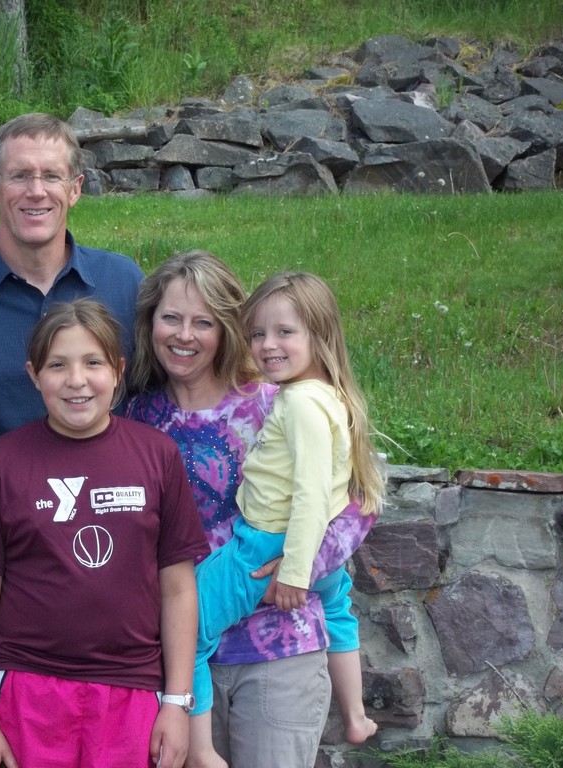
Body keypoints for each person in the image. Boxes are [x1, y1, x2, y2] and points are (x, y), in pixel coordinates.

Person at [126, 252, 379, 768]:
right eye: (171, 318)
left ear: (227, 329)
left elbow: (359, 498)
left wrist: (296, 571)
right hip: (171, 663)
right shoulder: (132, 417)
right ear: (150, 323)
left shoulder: (278, 400)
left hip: (277, 648)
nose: (185, 335)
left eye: (204, 322)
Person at [0, 299, 208, 768]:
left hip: (133, 691)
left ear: (119, 370)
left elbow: (178, 590)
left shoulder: (157, 456)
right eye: (57, 365)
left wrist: (176, 701)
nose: (76, 380)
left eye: (93, 363)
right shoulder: (1, 463)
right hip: (28, 691)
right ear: (33, 375)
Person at [0, 112, 144, 435]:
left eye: (51, 176)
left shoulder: (124, 283)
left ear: (75, 189)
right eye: (20, 175)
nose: (36, 191)